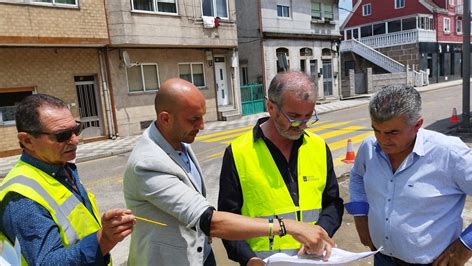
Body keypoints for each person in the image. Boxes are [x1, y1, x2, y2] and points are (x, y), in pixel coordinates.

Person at [124, 78, 333, 266]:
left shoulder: (179, 143)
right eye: (193, 119)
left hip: (200, 257)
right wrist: (286, 227)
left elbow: (332, 202)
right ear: (166, 119)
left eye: (202, 117)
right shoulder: (148, 163)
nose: (202, 126)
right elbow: (209, 220)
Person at [218, 71, 344, 265]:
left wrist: (320, 233)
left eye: (308, 116)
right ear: (270, 107)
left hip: (313, 260)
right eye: (293, 116)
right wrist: (249, 259)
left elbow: (333, 203)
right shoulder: (238, 152)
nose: (301, 124)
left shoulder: (319, 147)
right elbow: (228, 220)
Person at [345, 85, 472, 265]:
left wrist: (465, 246)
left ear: (418, 125)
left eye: (392, 133)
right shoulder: (369, 148)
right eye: (376, 130)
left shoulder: (449, 154)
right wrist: (360, 215)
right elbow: (358, 176)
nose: (382, 140)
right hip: (382, 258)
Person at [0, 94, 135, 265]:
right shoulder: (21, 197)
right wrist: (103, 240)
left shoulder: (60, 167)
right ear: (27, 141)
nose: (75, 140)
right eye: (62, 135)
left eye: (76, 130)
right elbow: (48, 262)